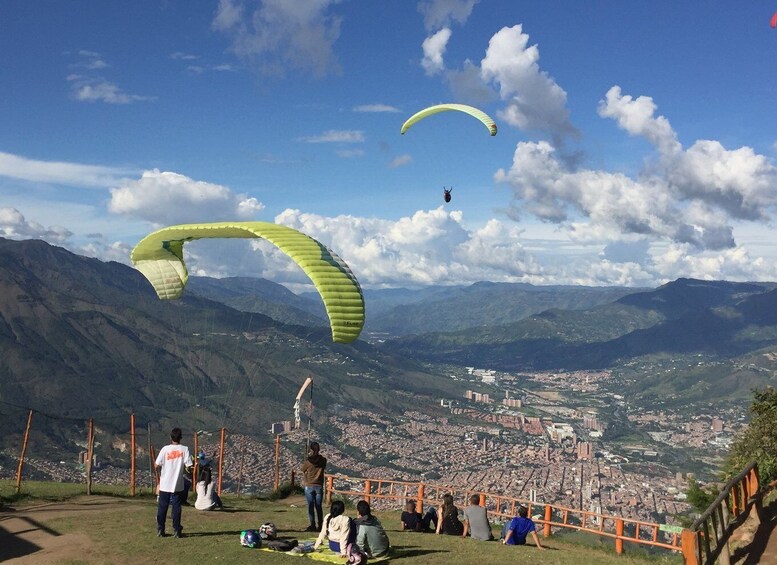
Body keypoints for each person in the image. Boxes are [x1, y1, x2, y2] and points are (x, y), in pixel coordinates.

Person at [155, 427, 193, 538]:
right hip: (177, 484)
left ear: (171, 437)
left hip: (165, 484)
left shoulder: (165, 449)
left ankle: (160, 529)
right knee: (176, 508)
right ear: (180, 438)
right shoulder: (184, 449)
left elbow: (157, 464)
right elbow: (189, 466)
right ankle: (176, 529)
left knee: (162, 507)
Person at [302, 441, 327, 532]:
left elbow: (303, 470)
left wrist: (307, 458)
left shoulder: (308, 462)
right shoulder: (323, 460)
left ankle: (312, 525)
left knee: (310, 506)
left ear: (311, 449)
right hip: (319, 485)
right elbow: (323, 467)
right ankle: (320, 525)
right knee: (318, 506)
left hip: (309, 485)